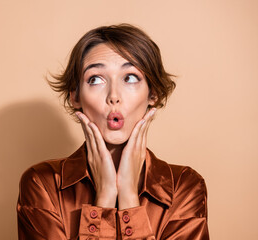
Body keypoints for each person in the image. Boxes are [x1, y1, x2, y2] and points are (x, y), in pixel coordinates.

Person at [17, 24, 209, 240]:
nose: (114, 96)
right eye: (96, 79)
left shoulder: (183, 186)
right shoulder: (43, 184)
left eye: (130, 78)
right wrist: (105, 196)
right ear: (75, 96)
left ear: (152, 93)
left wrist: (128, 197)